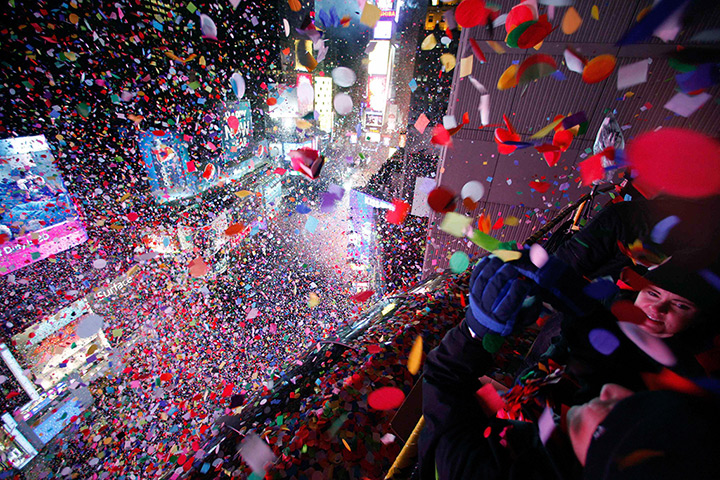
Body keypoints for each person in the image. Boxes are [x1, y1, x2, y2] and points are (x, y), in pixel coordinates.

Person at [419, 255, 720, 480]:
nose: (611, 391)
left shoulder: (472, 471)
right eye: (652, 293)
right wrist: (573, 298)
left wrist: (475, 332)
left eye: (681, 305)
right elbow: (600, 362)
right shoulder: (680, 408)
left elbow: (444, 381)